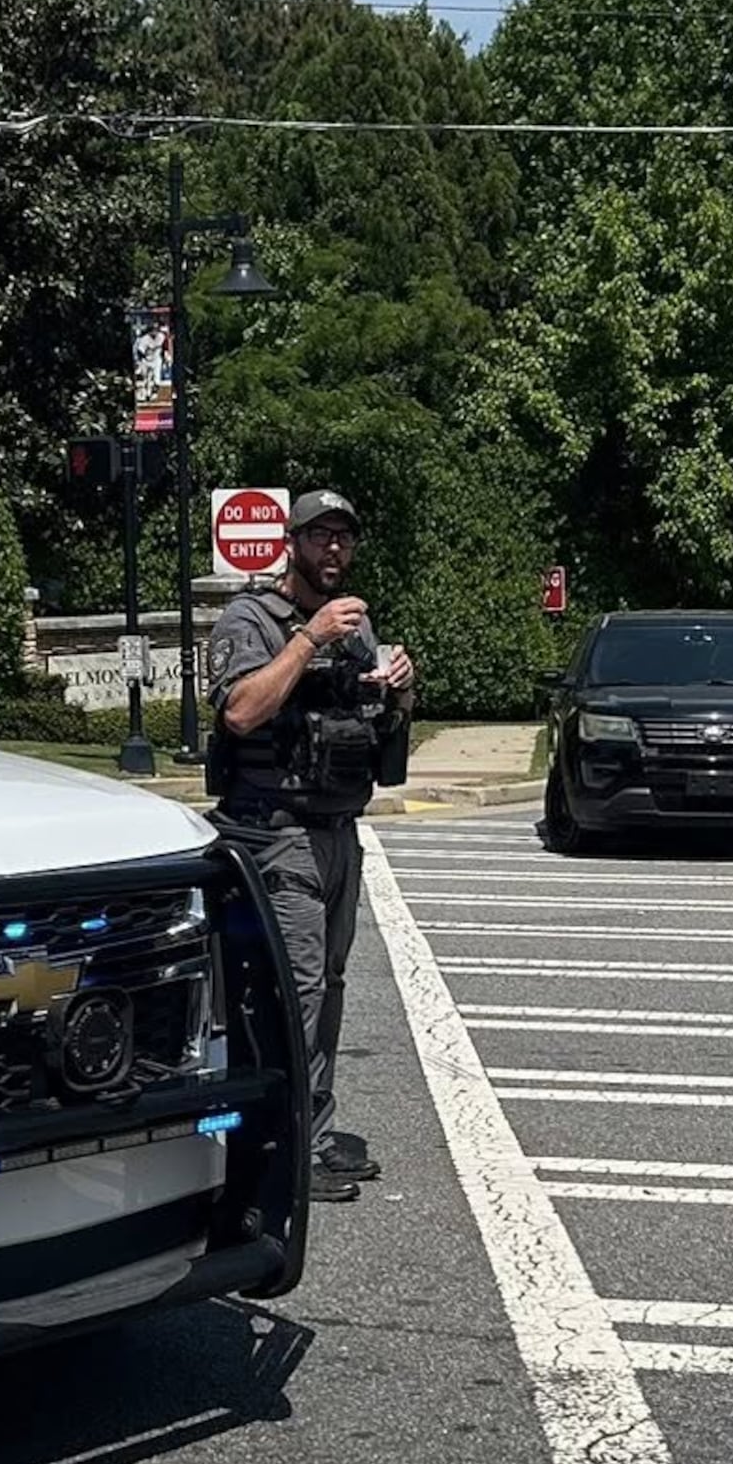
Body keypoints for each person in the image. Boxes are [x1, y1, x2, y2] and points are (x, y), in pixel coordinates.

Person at [203, 490, 415, 1203]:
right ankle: (285, 1147)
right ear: (291, 542)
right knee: (295, 991)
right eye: (320, 537)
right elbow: (239, 711)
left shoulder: (355, 626)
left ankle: (315, 1132)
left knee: (328, 989)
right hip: (276, 830)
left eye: (345, 540)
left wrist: (396, 691)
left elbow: (367, 726)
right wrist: (308, 639)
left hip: (337, 830)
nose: (333, 551)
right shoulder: (251, 620)